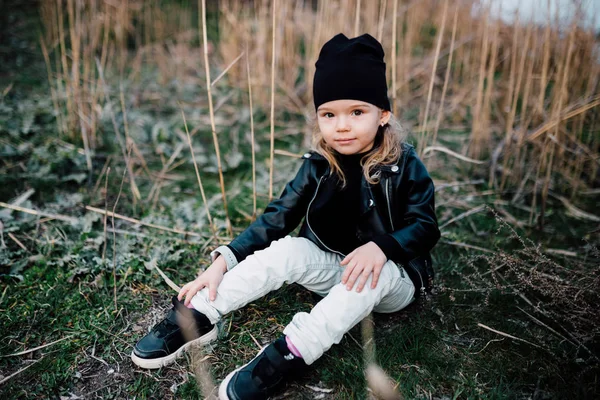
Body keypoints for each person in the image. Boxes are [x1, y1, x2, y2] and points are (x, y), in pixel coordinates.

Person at [131, 33, 440, 400]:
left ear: (383, 114)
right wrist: (223, 259)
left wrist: (384, 248)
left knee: (368, 277)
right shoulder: (318, 165)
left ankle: (288, 354)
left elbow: (425, 226)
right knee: (289, 248)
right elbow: (277, 217)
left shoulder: (404, 165)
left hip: (392, 278)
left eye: (357, 112)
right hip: (334, 266)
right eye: (329, 114)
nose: (342, 126)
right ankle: (199, 314)